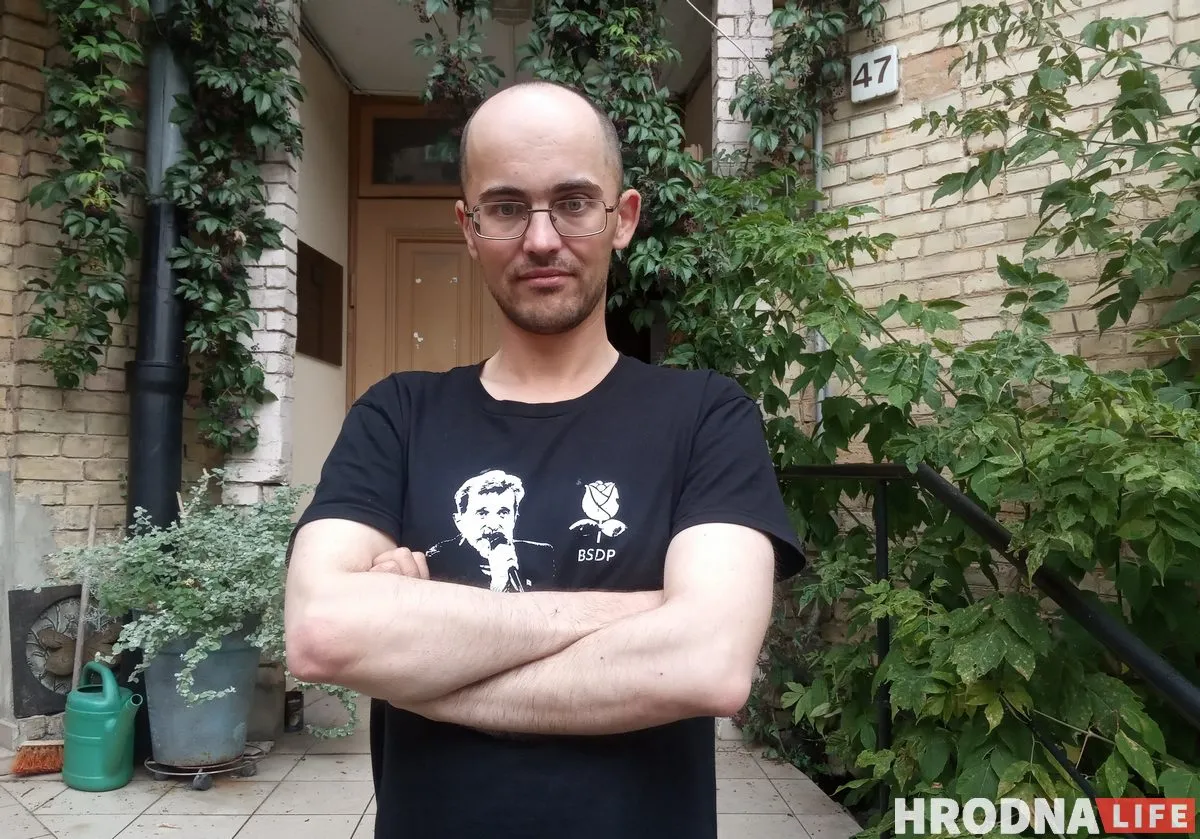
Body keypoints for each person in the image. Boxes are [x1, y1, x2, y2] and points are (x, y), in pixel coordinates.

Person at [283, 80, 806, 839]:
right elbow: (324, 631)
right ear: (468, 228)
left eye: (573, 201)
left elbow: (709, 662)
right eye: (505, 207)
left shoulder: (705, 415)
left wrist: (420, 669)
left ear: (623, 218)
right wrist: (647, 610)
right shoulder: (398, 415)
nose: (540, 239)